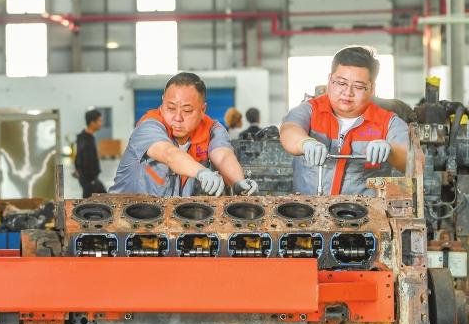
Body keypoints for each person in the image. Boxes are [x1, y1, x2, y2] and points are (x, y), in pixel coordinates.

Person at [279, 46, 408, 196]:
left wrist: (392, 151)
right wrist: (304, 143)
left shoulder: (388, 122)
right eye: (341, 83)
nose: (348, 92)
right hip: (307, 209)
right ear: (330, 80)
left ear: (372, 88)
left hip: (365, 210)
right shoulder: (310, 110)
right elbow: (289, 129)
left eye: (358, 87)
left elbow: (415, 162)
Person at [110, 72, 258, 196]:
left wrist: (238, 182)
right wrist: (201, 172)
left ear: (203, 110)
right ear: (162, 103)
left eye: (187, 110)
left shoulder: (212, 129)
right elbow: (169, 154)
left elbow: (223, 156)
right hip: (123, 216)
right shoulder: (149, 126)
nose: (178, 118)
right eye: (171, 108)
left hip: (171, 217)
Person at [74, 109, 107, 198]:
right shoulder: (86, 139)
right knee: (94, 201)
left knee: (101, 197)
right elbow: (83, 159)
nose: (101, 123)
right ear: (92, 122)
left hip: (90, 178)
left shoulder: (85, 137)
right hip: (89, 179)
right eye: (99, 121)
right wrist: (91, 179)